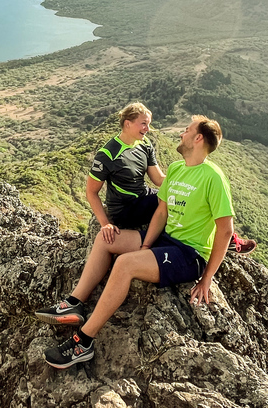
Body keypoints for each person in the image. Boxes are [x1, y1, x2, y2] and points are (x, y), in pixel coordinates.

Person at [35, 115, 256, 369]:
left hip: (189, 254)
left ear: (198, 139)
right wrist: (145, 246)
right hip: (165, 240)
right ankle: (74, 304)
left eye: (187, 130)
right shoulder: (175, 169)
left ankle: (83, 341)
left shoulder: (214, 178)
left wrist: (207, 277)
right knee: (107, 238)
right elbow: (161, 212)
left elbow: (225, 231)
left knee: (125, 265)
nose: (181, 134)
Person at [86, 103, 165, 241]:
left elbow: (158, 179)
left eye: (149, 124)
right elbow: (91, 192)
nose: (148, 129)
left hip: (143, 197)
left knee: (176, 198)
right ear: (128, 124)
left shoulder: (145, 144)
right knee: (168, 202)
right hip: (125, 209)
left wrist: (184, 182)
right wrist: (105, 224)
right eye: (144, 124)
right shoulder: (108, 154)